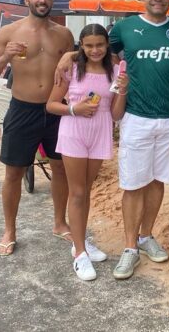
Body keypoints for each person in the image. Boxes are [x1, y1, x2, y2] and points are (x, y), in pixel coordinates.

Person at [0, 0, 75, 256]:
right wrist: (6, 56)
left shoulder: (64, 34)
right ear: (27, 0)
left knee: (61, 169)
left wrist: (72, 54)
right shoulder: (10, 32)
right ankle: (9, 230)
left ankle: (60, 223)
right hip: (23, 109)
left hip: (56, 110)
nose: (42, 0)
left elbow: (77, 65)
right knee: (13, 172)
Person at [107, 0, 169, 279]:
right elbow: (108, 53)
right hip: (137, 117)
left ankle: (146, 236)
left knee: (158, 180)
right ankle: (129, 248)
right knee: (133, 183)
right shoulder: (124, 28)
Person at [46, 24, 128, 280]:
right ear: (81, 45)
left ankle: (79, 241)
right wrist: (74, 109)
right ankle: (80, 253)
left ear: (107, 45)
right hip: (74, 130)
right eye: (89, 45)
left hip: (100, 131)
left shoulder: (114, 71)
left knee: (86, 191)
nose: (95, 50)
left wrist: (124, 90)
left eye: (100, 45)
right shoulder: (70, 68)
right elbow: (50, 105)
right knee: (78, 191)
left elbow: (116, 114)